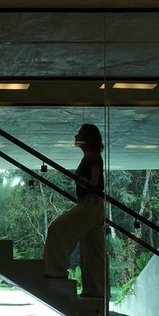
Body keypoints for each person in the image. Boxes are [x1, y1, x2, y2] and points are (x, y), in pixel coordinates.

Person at [43, 123, 107, 299]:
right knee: (92, 250)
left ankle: (55, 272)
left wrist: (82, 179)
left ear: (87, 138)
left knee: (57, 228)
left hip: (90, 205)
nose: (75, 136)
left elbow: (95, 182)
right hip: (93, 205)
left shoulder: (93, 158)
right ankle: (96, 291)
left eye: (79, 133)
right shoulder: (90, 157)